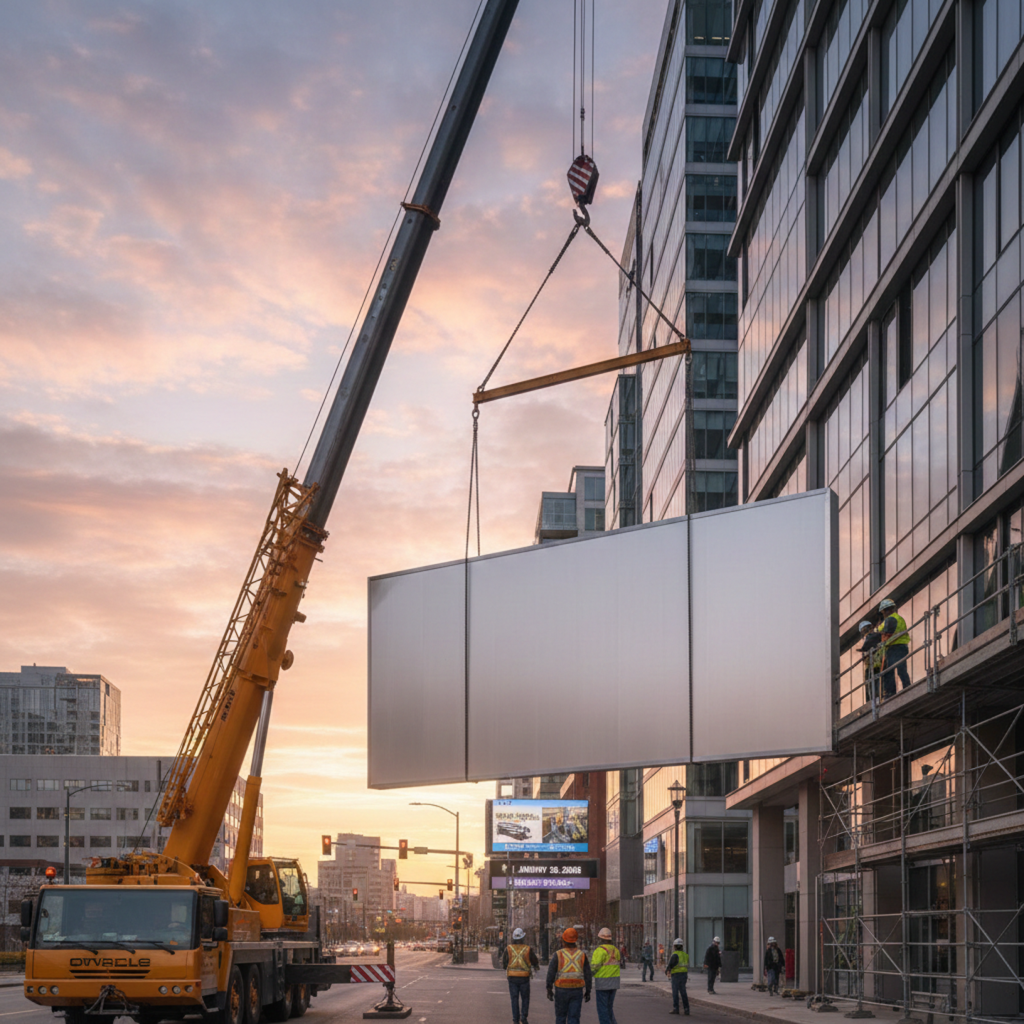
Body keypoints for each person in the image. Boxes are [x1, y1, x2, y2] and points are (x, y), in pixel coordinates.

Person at [546, 927, 591, 1024]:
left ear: (563, 940)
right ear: (576, 940)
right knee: (574, 1018)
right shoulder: (582, 955)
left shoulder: (558, 954)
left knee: (560, 1017)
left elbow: (551, 972)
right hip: (577, 990)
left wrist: (549, 988)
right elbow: (588, 974)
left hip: (561, 989)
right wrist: (588, 990)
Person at [503, 926, 539, 1024]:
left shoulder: (508, 949)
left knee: (514, 999)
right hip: (524, 977)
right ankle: (523, 1017)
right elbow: (535, 961)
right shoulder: (528, 949)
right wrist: (536, 967)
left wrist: (507, 967)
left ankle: (515, 1019)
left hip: (512, 977)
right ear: (523, 938)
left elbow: (504, 963)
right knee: (525, 998)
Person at [878, 597, 910, 697]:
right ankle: (907, 686)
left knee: (889, 671)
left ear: (887, 610)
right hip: (901, 647)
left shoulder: (891, 619)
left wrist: (879, 640)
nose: (884, 614)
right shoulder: (898, 618)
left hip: (894, 647)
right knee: (901, 669)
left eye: (884, 612)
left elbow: (887, 633)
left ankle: (890, 693)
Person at [591, 927, 621, 1024]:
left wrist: (587, 976)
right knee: (609, 1008)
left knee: (602, 1009)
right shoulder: (616, 950)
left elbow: (594, 967)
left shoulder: (599, 951)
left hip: (602, 983)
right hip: (614, 983)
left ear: (600, 938)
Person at [858, 619, 884, 703]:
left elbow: (867, 646)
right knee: (873, 683)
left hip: (874, 664)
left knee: (872, 683)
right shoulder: (875, 636)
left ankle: (873, 701)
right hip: (874, 664)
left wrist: (863, 650)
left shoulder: (872, 636)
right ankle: (873, 700)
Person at [665, 937, 689, 1015]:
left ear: (675, 946)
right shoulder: (685, 955)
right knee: (683, 992)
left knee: (675, 992)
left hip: (676, 975)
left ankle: (676, 1008)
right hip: (684, 975)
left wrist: (667, 970)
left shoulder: (675, 954)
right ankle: (686, 1009)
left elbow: (671, 964)